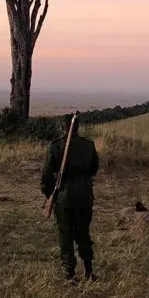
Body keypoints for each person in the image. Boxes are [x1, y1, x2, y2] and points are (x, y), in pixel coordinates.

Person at [41, 115, 100, 282]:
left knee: (66, 234)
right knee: (83, 233)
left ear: (62, 128)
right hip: (84, 195)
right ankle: (89, 271)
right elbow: (93, 169)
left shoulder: (55, 146)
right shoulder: (88, 145)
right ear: (77, 128)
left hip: (64, 197)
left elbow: (46, 176)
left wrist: (50, 195)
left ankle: (70, 274)